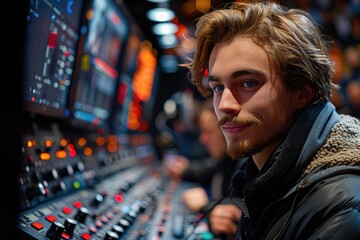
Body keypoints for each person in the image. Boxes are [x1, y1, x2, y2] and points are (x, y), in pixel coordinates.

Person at [184, 1, 360, 239]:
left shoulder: (342, 206)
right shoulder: (262, 179)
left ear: (302, 92)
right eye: (217, 87)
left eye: (248, 83)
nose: (224, 104)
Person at [163, 99, 242, 238]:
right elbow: (206, 168)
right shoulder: (225, 160)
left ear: (228, 132)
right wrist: (185, 169)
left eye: (208, 132)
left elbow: (232, 218)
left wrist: (205, 206)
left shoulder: (243, 169)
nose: (202, 139)